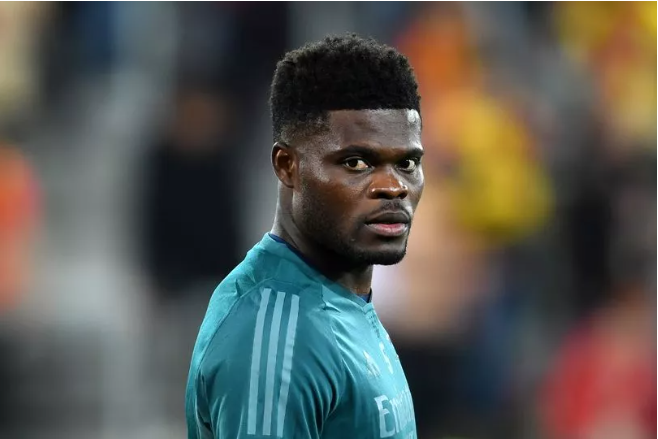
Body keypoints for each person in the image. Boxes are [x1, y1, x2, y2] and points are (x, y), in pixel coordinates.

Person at [186, 34, 424, 439]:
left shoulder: (336, 299)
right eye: (356, 162)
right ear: (287, 166)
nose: (393, 186)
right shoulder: (276, 334)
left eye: (407, 163)